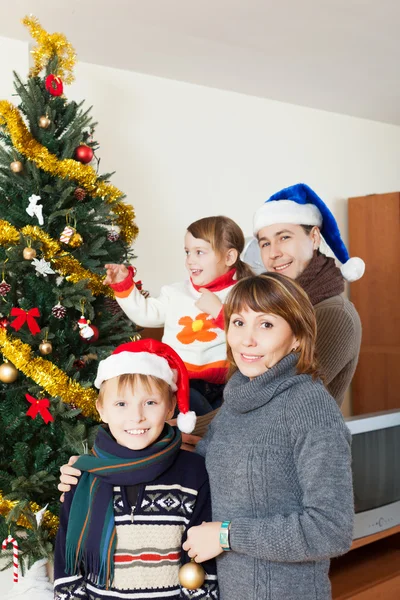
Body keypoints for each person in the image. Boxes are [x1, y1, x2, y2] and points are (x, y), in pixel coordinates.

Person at [59, 274, 354, 600]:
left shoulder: (310, 408)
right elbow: (186, 459)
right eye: (239, 322)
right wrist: (96, 470)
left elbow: (331, 530)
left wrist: (228, 536)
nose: (247, 340)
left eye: (266, 325)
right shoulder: (238, 402)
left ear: (297, 336)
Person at [54, 339, 218, 600]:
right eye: (121, 404)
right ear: (101, 410)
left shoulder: (194, 473)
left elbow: (202, 565)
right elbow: (67, 563)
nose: (137, 416)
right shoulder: (81, 475)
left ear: (170, 407)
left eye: (150, 403)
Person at [104, 216, 253, 420]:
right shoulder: (175, 293)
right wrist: (124, 287)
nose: (190, 260)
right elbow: (146, 314)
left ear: (229, 257)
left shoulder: (244, 293)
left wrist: (220, 312)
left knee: (229, 421)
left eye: (199, 252)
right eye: (187, 252)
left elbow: (251, 334)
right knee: (191, 418)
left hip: (230, 380)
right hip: (183, 381)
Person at [252, 183, 364, 407]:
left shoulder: (334, 314)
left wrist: (181, 430)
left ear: (314, 237)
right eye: (265, 243)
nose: (273, 253)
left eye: (284, 237)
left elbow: (278, 400)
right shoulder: (271, 307)